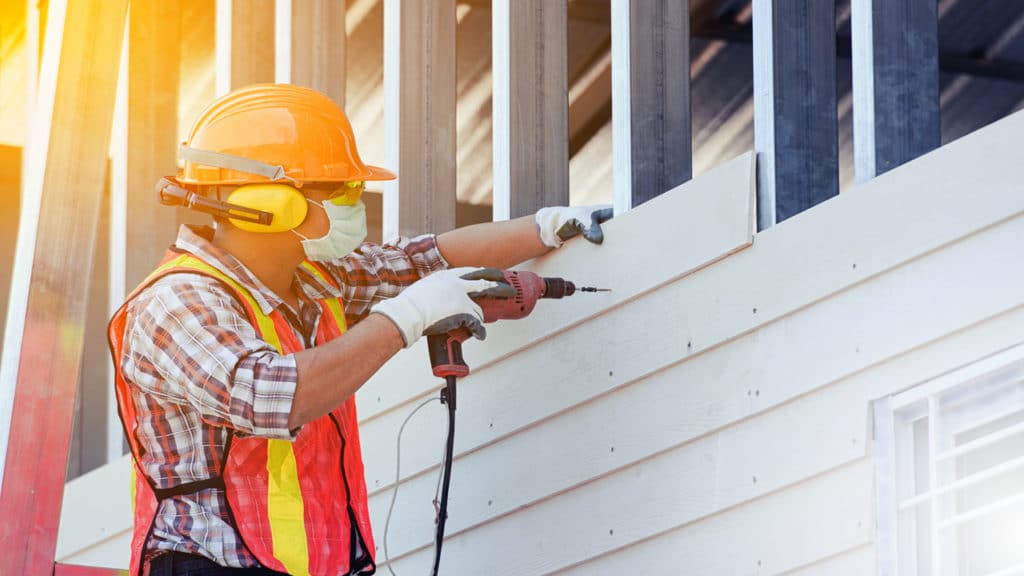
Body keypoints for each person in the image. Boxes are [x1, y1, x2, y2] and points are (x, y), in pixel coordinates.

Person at [108, 83, 611, 576]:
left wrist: (544, 228)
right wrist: (405, 318)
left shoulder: (313, 282)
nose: (355, 202)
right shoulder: (177, 301)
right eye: (340, 190)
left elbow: (423, 261)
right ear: (268, 202)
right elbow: (269, 395)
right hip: (210, 566)